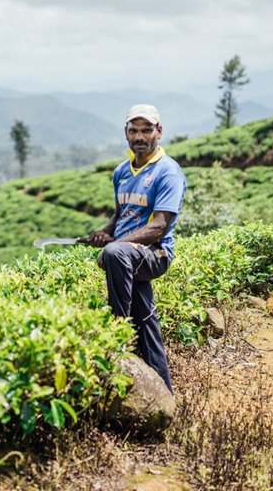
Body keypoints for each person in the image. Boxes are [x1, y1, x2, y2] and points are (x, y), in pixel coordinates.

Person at [85, 104, 186, 393]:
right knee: (147, 321)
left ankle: (118, 331)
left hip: (155, 254)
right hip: (129, 257)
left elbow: (159, 227)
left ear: (159, 132)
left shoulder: (168, 172)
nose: (139, 136)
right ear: (126, 134)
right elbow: (121, 215)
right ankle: (164, 394)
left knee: (114, 255)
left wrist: (115, 245)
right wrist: (105, 232)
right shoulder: (121, 172)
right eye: (133, 130)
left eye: (146, 130)